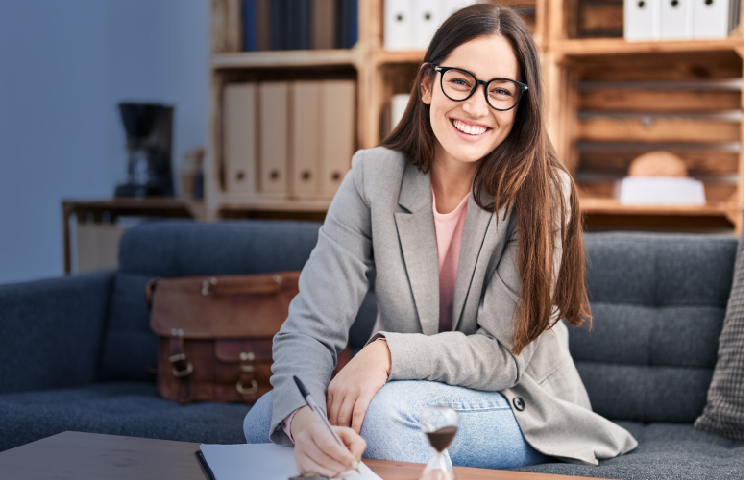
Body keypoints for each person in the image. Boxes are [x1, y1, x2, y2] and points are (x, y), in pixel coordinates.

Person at [243, 4, 637, 476]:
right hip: (407, 387)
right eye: (460, 81)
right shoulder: (373, 176)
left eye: (501, 92)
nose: (476, 107)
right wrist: (306, 420)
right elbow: (311, 324)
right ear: (428, 84)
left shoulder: (543, 193)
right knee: (270, 417)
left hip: (519, 404)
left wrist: (385, 353)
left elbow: (499, 357)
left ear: (521, 104)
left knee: (388, 417)